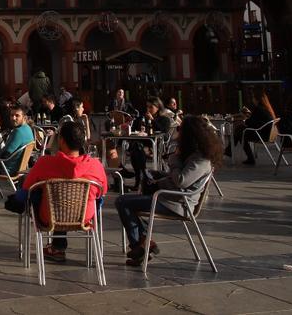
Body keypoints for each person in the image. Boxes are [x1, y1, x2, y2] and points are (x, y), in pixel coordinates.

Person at [116, 116, 221, 264]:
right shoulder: (194, 154)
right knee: (134, 199)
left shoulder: (201, 160)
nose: (178, 134)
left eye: (180, 130)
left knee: (123, 202)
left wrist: (174, 159)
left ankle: (140, 245)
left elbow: (181, 181)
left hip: (178, 204)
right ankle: (143, 243)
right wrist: (158, 177)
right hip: (172, 198)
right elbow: (178, 178)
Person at [20, 121, 108, 263]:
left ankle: (55, 248)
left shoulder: (44, 163)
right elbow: (102, 192)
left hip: (49, 216)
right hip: (85, 216)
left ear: (61, 140)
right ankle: (59, 248)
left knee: (34, 196)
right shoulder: (96, 165)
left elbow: (27, 187)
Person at [0, 103, 34, 175]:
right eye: (12, 115)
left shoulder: (18, 132)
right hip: (18, 168)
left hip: (7, 169)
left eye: (17, 115)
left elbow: (5, 155)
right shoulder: (28, 129)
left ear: (24, 117)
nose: (13, 118)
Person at [234, 87, 276, 165]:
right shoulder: (266, 108)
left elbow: (252, 123)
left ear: (257, 99)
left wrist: (245, 119)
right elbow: (259, 120)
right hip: (268, 134)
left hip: (262, 135)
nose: (252, 99)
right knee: (240, 129)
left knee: (240, 132)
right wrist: (250, 115)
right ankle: (229, 150)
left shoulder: (259, 109)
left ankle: (250, 158)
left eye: (253, 97)